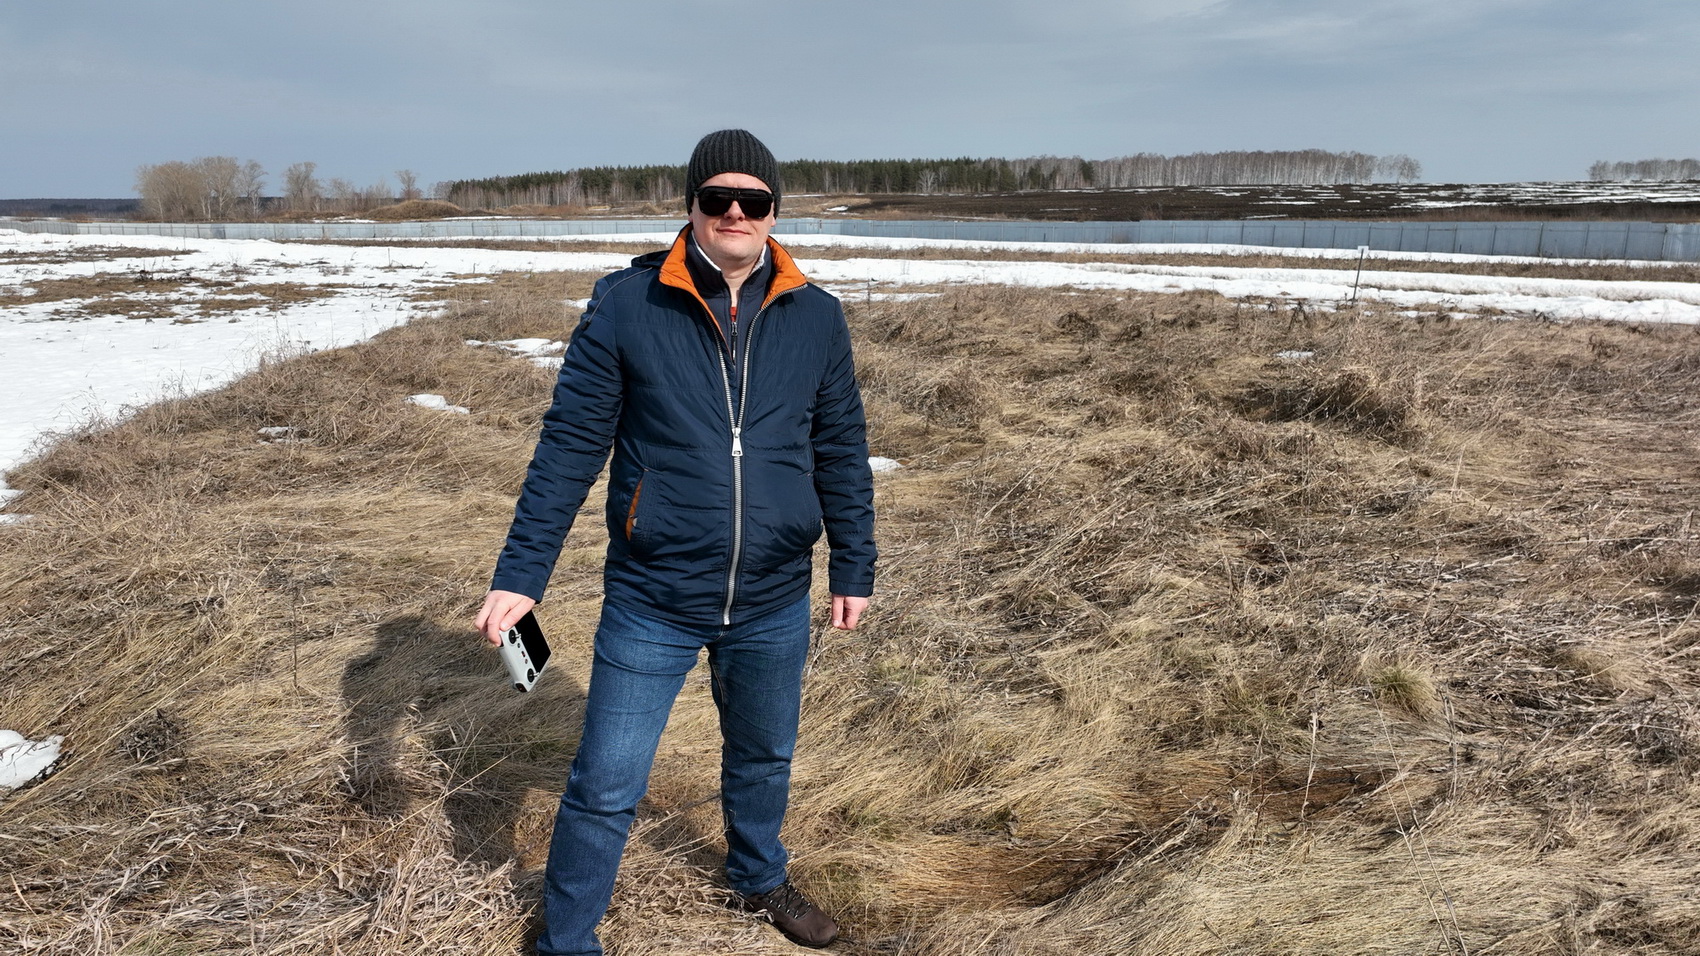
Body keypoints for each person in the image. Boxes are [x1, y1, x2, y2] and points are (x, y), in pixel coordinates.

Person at [476, 129, 876, 955]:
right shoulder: (630, 304)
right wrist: (522, 572)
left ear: (774, 212)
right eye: (717, 198)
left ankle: (758, 877)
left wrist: (853, 564)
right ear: (691, 206)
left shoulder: (817, 316)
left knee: (763, 757)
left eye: (753, 201)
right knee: (605, 783)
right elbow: (570, 445)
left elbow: (840, 449)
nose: (735, 213)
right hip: (652, 597)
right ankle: (568, 941)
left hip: (773, 597)